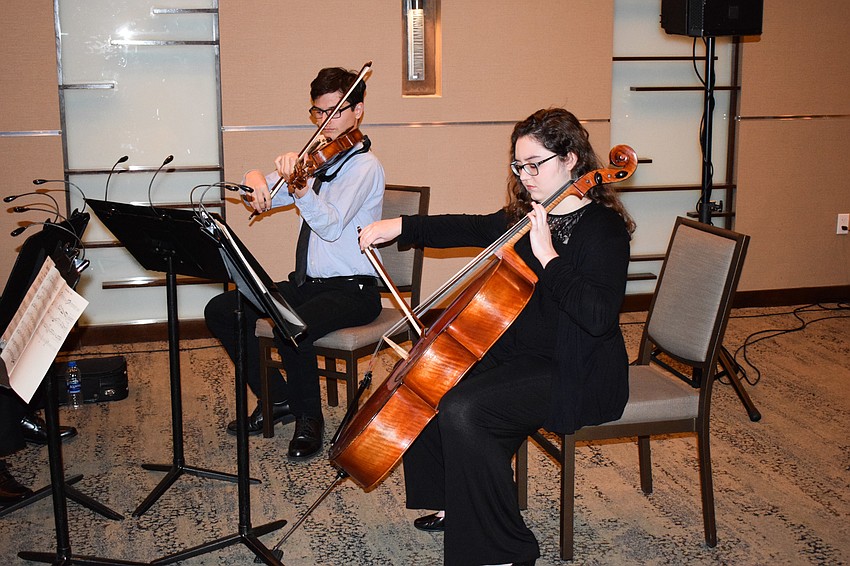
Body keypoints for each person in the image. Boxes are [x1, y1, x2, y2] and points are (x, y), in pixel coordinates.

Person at [358, 108, 635, 566]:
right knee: (431, 381)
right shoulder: (526, 216)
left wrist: (549, 257)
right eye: (518, 166)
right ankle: (458, 501)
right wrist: (402, 227)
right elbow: (468, 226)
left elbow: (598, 316)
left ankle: (505, 548)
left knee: (465, 410)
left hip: (575, 368)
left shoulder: (602, 230)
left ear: (570, 160)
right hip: (520, 354)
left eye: (535, 164)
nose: (525, 176)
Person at [205, 67, 385, 460]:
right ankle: (279, 398)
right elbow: (261, 192)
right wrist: (255, 177)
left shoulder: (364, 168)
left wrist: (301, 190)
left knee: (292, 326)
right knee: (222, 309)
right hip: (308, 284)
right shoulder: (314, 159)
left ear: (358, 111)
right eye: (319, 113)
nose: (325, 122)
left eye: (335, 112)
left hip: (353, 289)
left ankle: (310, 418)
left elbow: (332, 225)